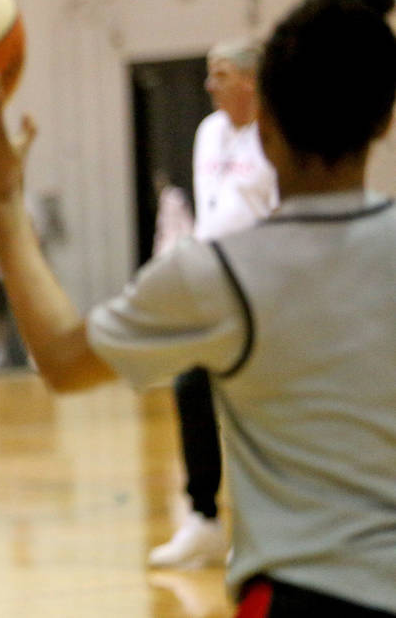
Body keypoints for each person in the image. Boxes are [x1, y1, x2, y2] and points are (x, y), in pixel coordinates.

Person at [0, 0, 396, 616]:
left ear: (266, 121)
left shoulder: (219, 274)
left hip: (307, 592)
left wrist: (4, 203)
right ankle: (201, 519)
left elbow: (62, 358)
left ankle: (204, 517)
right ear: (385, 118)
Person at [149, 37, 279, 569]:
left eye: (220, 74)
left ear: (251, 80)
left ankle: (265, 529)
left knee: (256, 410)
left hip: (267, 293)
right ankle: (204, 520)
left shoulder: (277, 135)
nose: (208, 85)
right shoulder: (209, 133)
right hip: (213, 289)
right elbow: (212, 212)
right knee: (191, 390)